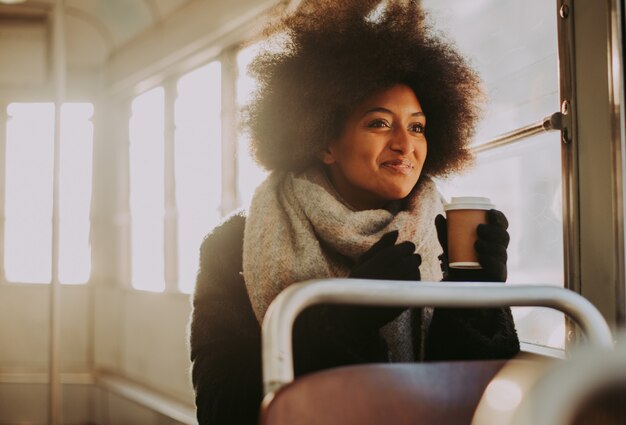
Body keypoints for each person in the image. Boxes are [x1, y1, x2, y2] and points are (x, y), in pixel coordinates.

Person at [189, 1, 520, 424]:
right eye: (380, 123)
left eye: (417, 126)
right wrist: (344, 321)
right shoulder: (231, 246)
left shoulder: (444, 236)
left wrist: (477, 299)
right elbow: (222, 408)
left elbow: (481, 404)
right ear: (323, 142)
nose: (405, 144)